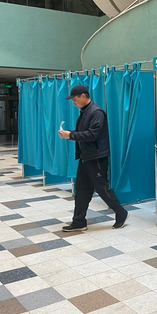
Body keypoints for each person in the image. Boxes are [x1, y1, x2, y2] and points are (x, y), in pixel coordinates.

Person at [58, 84, 128, 231]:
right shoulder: (85, 112)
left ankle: (121, 212)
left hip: (96, 158)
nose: (74, 102)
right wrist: (69, 133)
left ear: (83, 96)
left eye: (75, 99)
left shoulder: (96, 112)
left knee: (102, 188)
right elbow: (84, 132)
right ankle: (79, 221)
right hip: (86, 157)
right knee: (82, 189)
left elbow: (92, 134)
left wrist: (70, 135)